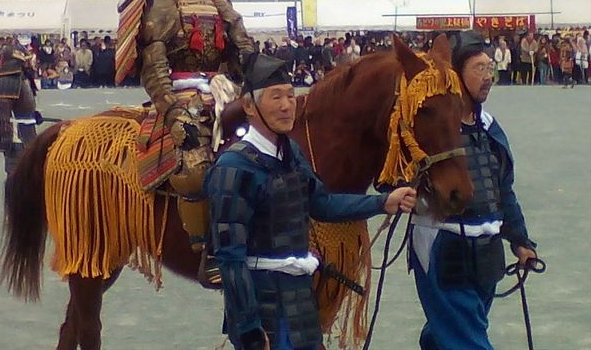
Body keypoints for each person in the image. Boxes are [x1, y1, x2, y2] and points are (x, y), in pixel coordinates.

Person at [205, 54, 417, 350]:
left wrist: (383, 203)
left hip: (301, 304)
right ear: (250, 106)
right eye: (275, 96)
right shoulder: (233, 167)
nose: (286, 105)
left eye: (291, 95)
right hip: (265, 310)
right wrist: (249, 327)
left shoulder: (291, 153)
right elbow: (230, 258)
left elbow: (322, 204)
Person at [115, 0, 255, 258]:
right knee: (194, 166)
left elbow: (243, 46)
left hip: (225, 91)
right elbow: (154, 61)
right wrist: (172, 108)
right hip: (184, 96)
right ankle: (208, 251)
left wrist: (264, 73)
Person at [409, 30, 538, 350]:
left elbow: (503, 189)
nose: (488, 76)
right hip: (444, 245)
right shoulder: (428, 127)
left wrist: (520, 240)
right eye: (479, 68)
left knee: (453, 331)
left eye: (490, 68)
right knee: (467, 339)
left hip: (487, 251)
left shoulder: (490, 127)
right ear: (454, 74)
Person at [0, 37, 37, 152]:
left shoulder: (24, 79)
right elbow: (4, 117)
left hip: (27, 135)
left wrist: (34, 116)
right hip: (17, 143)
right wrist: (5, 137)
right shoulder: (9, 80)